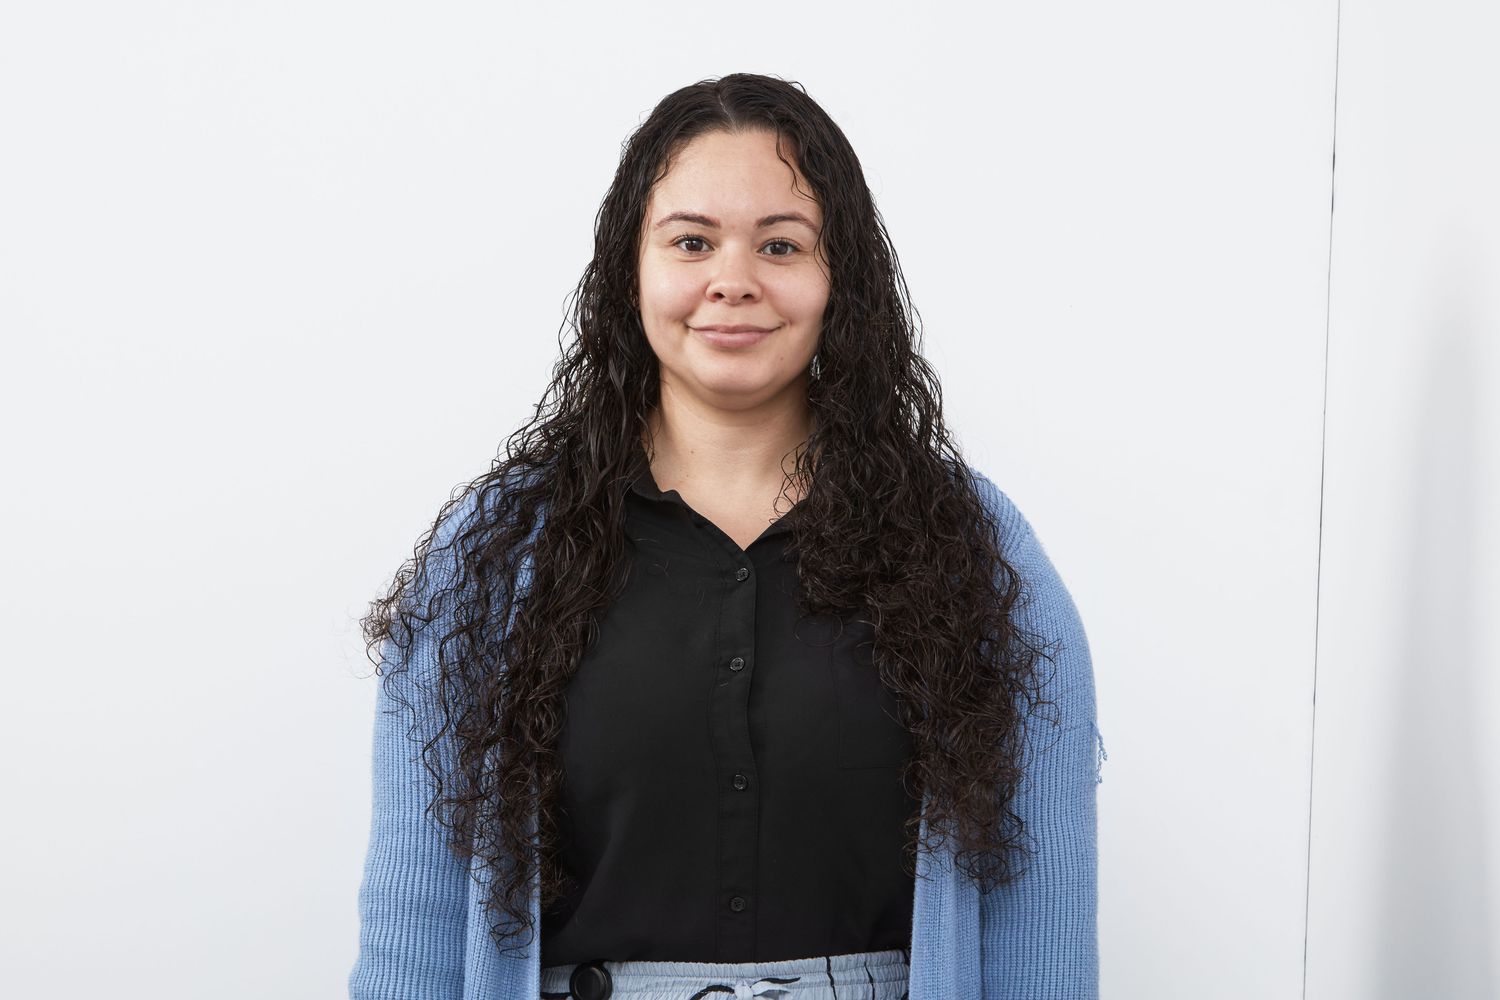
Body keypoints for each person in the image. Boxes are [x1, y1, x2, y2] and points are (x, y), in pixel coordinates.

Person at [349, 72, 1102, 1000]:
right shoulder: (494, 554)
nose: (732, 281)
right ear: (631, 270)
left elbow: (1041, 925)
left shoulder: (971, 547)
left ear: (841, 279)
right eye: (691, 241)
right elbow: (414, 917)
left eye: (781, 245)